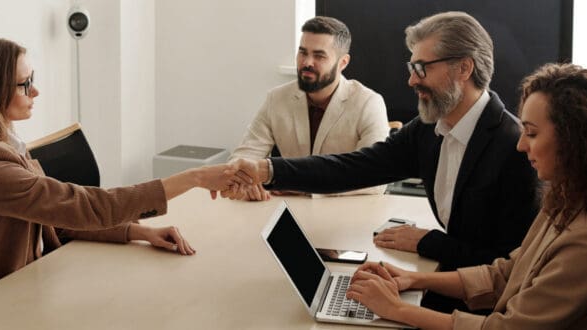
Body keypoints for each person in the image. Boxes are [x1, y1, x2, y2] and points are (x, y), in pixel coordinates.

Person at [227, 11, 539, 313]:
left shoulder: (515, 148)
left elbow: (509, 265)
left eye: (421, 68)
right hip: (446, 282)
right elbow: (354, 167)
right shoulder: (429, 129)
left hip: (483, 308)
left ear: (464, 68)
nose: (410, 81)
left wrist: (428, 242)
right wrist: (268, 170)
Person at [0, 38, 247, 307]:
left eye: (33, 79)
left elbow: (57, 218)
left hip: (27, 285)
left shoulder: (7, 146)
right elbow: (83, 206)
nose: (36, 91)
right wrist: (193, 177)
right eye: (25, 83)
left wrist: (137, 231)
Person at [346, 62, 587, 329]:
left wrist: (396, 309)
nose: (520, 144)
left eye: (531, 133)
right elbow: (504, 275)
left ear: (573, 139)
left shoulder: (580, 241)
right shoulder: (563, 201)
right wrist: (413, 280)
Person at [228, 16, 388, 201]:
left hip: (345, 214)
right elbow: (241, 158)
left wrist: (305, 186)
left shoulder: (368, 102)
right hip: (285, 212)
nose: (307, 62)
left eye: (319, 56)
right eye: (303, 53)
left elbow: (376, 178)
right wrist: (246, 180)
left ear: (343, 63)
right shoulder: (276, 98)